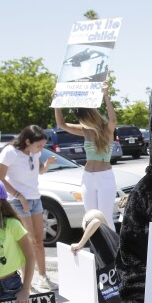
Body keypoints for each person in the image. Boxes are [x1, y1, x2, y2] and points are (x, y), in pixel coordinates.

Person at [0, 125, 57, 291]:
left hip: (35, 199)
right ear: (27, 141)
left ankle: (43, 277)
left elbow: (40, 171)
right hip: (17, 201)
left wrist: (48, 163)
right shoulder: (10, 152)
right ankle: (26, 284)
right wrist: (19, 196)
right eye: (39, 146)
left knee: (38, 241)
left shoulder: (34, 152)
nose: (41, 149)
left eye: (42, 146)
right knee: (27, 243)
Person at [53, 84, 118, 229]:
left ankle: (112, 250)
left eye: (82, 119)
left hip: (105, 177)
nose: (81, 122)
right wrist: (56, 103)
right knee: (90, 217)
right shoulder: (85, 131)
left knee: (105, 217)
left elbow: (113, 120)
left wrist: (106, 95)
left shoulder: (107, 129)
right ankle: (96, 250)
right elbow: (61, 124)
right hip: (88, 177)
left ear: (90, 117)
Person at [70, 209, 121, 303]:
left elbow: (95, 222)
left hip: (108, 266)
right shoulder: (106, 231)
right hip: (117, 262)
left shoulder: (93, 227)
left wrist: (80, 244)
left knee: (105, 274)